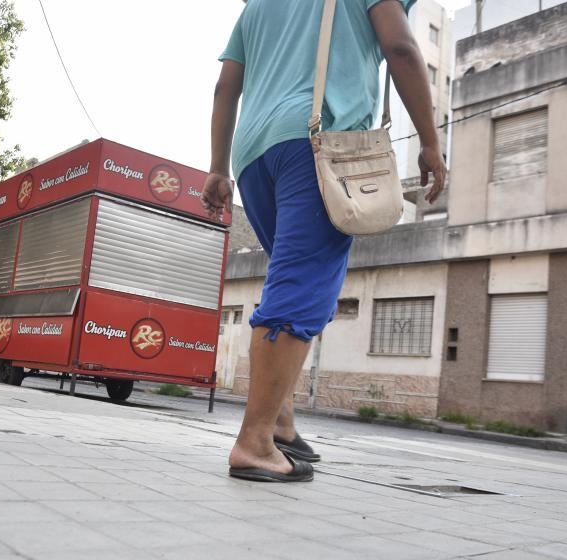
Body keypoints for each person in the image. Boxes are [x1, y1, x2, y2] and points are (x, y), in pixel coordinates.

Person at [202, 0, 446, 482]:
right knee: (301, 290)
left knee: (292, 279)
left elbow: (226, 87)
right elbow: (400, 47)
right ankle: (255, 443)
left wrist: (216, 166)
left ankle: (281, 424)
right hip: (316, 143)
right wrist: (431, 142)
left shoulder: (257, 6)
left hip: (252, 157)